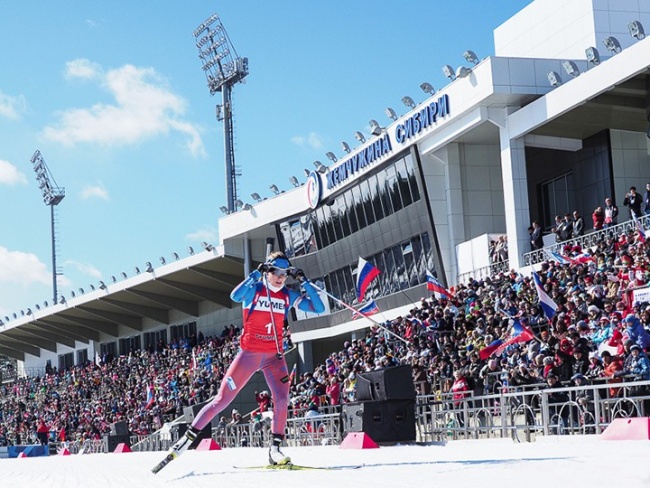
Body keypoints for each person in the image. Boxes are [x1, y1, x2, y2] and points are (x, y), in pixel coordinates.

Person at [169, 251, 325, 465]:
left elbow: (319, 307)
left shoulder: (288, 295)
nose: (280, 277)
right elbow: (235, 296)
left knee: (282, 400)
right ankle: (186, 441)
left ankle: (275, 449)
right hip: (249, 355)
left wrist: (304, 282)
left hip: (274, 357)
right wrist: (254, 275)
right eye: (276, 272)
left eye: (285, 273)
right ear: (268, 271)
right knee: (222, 400)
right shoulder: (255, 290)